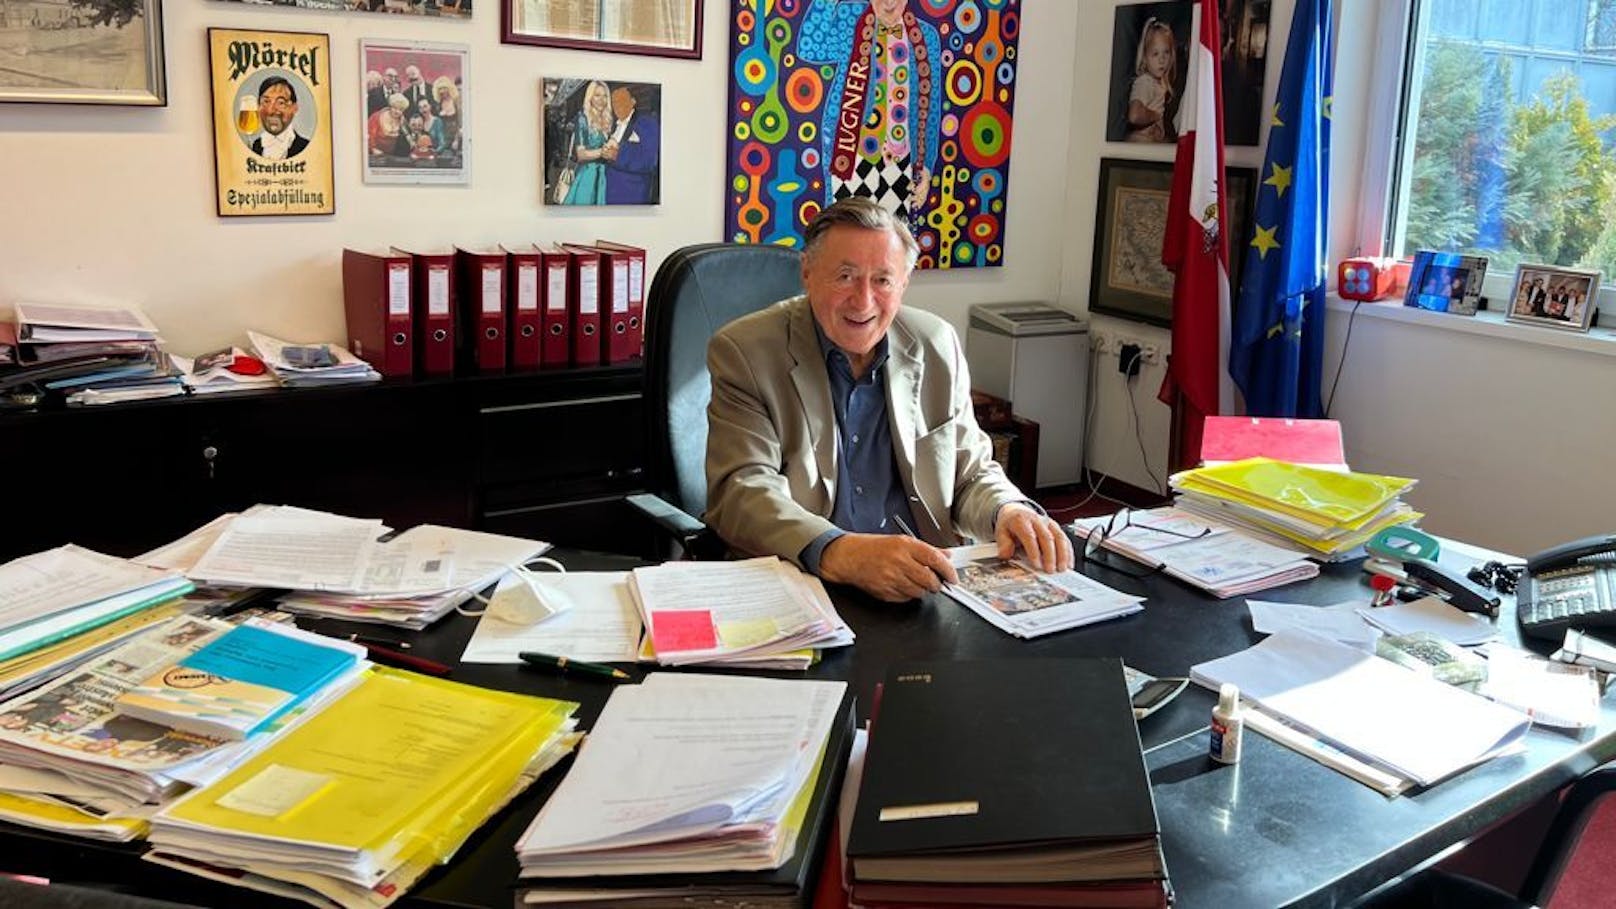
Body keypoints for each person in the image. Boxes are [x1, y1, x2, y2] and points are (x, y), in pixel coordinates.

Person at [705, 198, 1074, 603]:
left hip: (923, 583)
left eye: (882, 280)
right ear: (807, 273)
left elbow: (969, 473)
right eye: (845, 276)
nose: (863, 301)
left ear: (904, 283)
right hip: (808, 582)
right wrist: (838, 550)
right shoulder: (747, 351)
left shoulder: (936, 344)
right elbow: (742, 491)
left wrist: (1007, 510)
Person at [799, 0, 942, 219]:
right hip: (849, 153)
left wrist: (927, 167)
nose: (889, 3)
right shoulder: (850, 18)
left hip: (899, 159)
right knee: (843, 233)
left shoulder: (926, 37)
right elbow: (809, 47)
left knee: (891, 242)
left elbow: (931, 108)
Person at [601, 86, 660, 204]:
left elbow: (650, 161)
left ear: (633, 102)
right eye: (614, 102)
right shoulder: (613, 126)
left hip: (632, 194)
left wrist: (618, 155)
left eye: (621, 100)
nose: (617, 105)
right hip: (610, 193)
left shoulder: (647, 123)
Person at [562, 80, 614, 206]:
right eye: (597, 95)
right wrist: (602, 152)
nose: (602, 100)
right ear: (590, 98)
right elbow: (581, 154)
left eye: (605, 96)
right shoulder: (582, 118)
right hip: (587, 176)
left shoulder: (607, 119)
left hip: (603, 176)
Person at [1126, 17, 1176, 143]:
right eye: (1155, 54)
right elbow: (1134, 115)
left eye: (1166, 52)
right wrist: (1155, 116)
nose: (1162, 59)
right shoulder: (1145, 81)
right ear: (1144, 57)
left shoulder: (1160, 83)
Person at [250, 76, 310, 160]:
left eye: (281, 103)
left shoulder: (306, 147)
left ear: (294, 108)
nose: (271, 110)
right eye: (266, 101)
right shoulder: (255, 146)